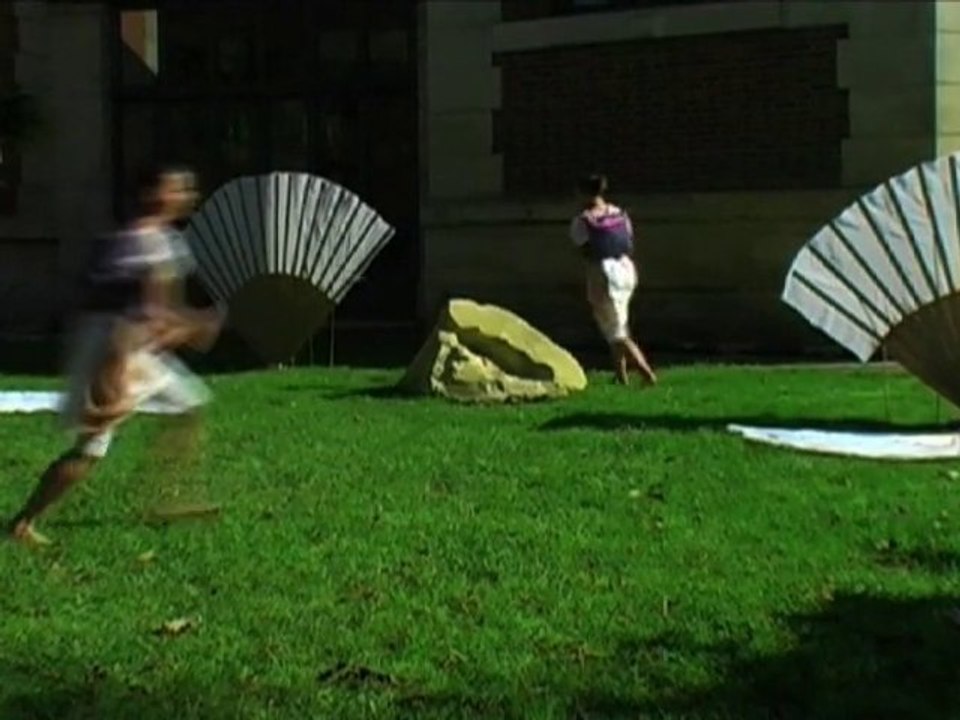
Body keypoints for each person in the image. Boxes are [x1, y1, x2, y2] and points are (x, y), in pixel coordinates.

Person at [6, 164, 224, 546]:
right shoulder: (147, 244)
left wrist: (189, 326)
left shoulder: (151, 241)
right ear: (153, 195)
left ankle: (168, 497)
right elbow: (151, 315)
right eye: (177, 189)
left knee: (189, 406)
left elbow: (153, 315)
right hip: (113, 349)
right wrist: (199, 325)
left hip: (127, 346)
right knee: (92, 446)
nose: (186, 196)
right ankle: (23, 522)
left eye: (187, 189)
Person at [570, 173, 657, 386]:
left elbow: (585, 250)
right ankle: (621, 375)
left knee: (615, 330)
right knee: (618, 322)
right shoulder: (620, 213)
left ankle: (646, 374)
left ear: (582, 193)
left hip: (604, 272)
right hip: (626, 268)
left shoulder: (583, 220)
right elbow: (629, 242)